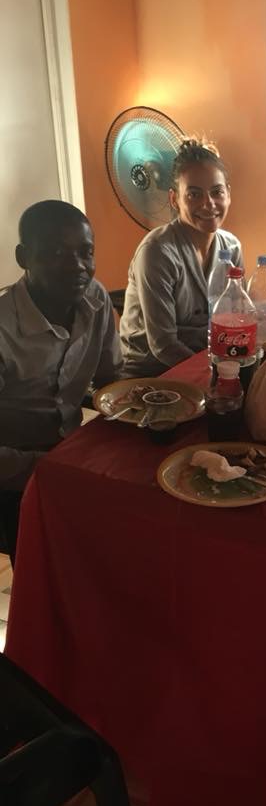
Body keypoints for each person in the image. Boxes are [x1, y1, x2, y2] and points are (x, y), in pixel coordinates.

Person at [0, 200, 121, 564]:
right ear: (23, 257)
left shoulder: (96, 299)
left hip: (70, 448)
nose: (78, 266)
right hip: (12, 470)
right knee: (40, 566)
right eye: (56, 253)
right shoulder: (4, 330)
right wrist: (50, 467)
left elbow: (111, 380)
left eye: (86, 252)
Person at [120, 137, 242, 377]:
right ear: (174, 199)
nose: (208, 204)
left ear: (228, 194)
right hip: (152, 372)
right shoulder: (157, 252)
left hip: (207, 360)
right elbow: (163, 346)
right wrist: (215, 375)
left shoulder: (232, 248)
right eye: (194, 194)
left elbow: (234, 320)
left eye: (217, 192)